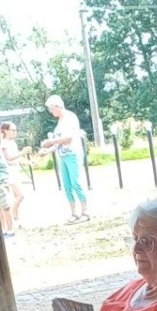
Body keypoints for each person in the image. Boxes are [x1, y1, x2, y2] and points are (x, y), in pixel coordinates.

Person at [42, 94, 89, 223]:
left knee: (76, 182)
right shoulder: (60, 121)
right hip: (62, 155)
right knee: (67, 185)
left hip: (72, 153)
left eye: (51, 109)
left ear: (57, 106)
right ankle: (73, 212)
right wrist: (49, 150)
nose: (51, 112)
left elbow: (69, 138)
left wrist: (50, 141)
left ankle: (85, 210)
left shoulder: (70, 118)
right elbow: (59, 143)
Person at [0, 119, 28, 227]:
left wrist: (28, 162)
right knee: (20, 196)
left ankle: (17, 219)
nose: (15, 132)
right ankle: (10, 215)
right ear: (5, 131)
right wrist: (22, 153)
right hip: (10, 171)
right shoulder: (4, 143)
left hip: (15, 170)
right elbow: (8, 158)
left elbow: (16, 158)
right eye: (12, 130)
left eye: (15, 130)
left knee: (17, 196)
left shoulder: (12, 143)